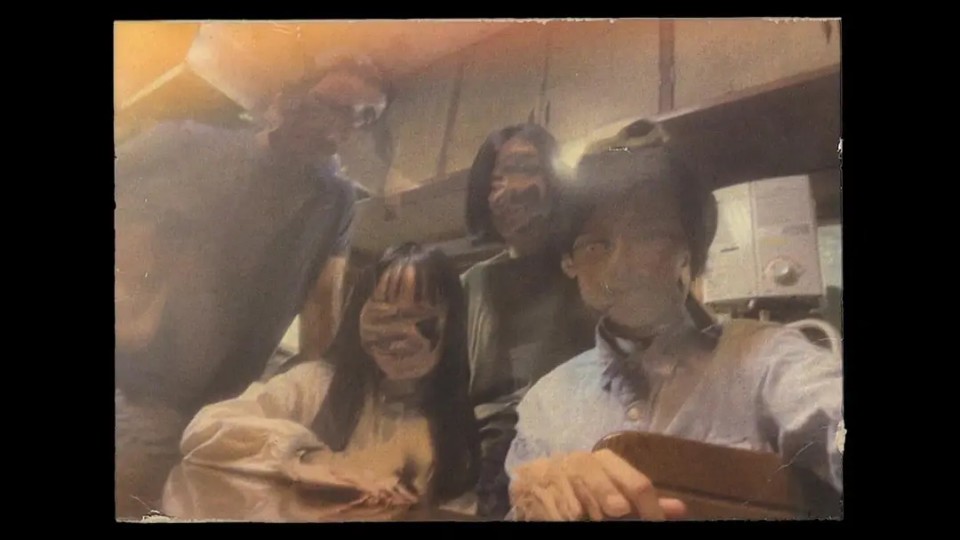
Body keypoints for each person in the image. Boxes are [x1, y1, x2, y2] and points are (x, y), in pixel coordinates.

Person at [503, 120, 843, 521]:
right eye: (596, 245)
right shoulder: (546, 401)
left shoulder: (767, 357)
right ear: (569, 263)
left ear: (691, 251)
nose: (621, 266)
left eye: (651, 235)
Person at [114, 56, 391, 516]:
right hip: (138, 380)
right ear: (288, 97)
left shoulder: (334, 201)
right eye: (331, 106)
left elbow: (322, 307)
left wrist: (323, 413)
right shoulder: (187, 142)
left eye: (363, 118)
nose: (341, 128)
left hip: (211, 408)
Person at [178, 243, 480, 508]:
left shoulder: (450, 431)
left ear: (451, 326)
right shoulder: (315, 386)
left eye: (419, 316)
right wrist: (305, 458)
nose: (400, 334)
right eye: (384, 314)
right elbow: (205, 429)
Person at [461, 124, 597, 518]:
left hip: (576, 456)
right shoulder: (472, 283)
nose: (505, 190)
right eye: (494, 181)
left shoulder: (588, 266)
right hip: (483, 468)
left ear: (555, 179)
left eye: (522, 168)